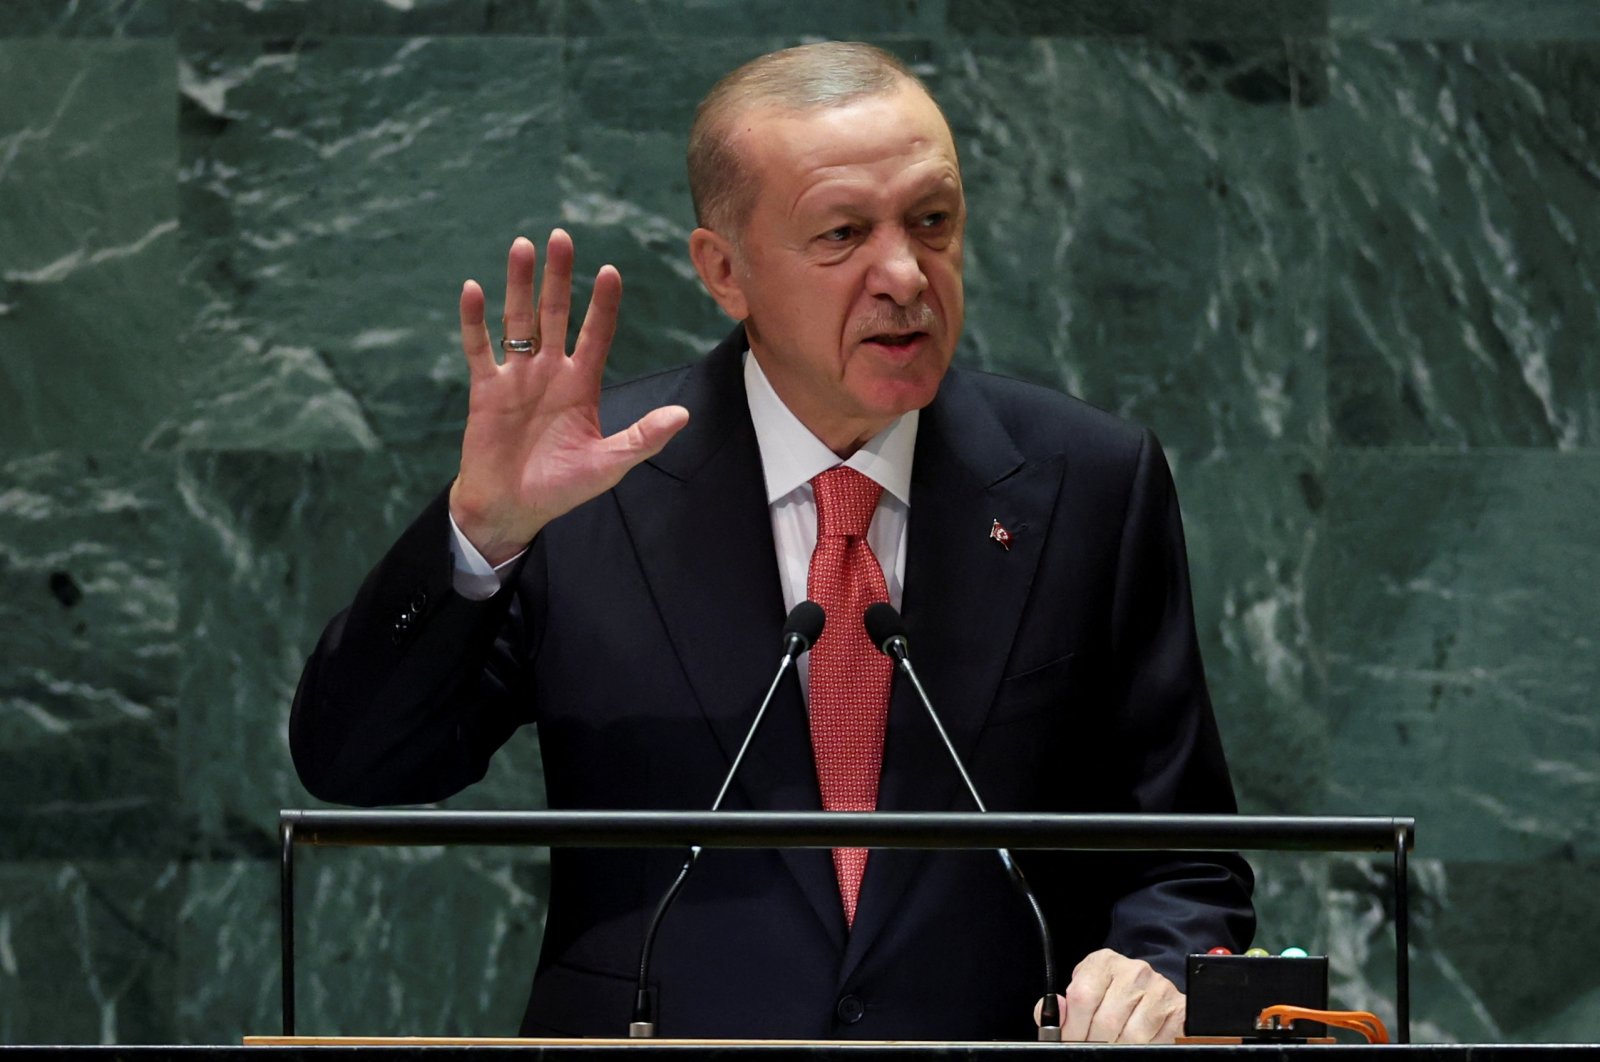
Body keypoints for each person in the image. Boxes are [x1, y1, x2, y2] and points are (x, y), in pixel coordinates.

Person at [291, 41, 1254, 1043]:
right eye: (841, 234)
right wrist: (482, 531)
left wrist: (1151, 967)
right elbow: (356, 769)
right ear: (725, 270)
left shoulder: (1087, 482)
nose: (904, 275)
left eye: (931, 222)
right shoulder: (590, 487)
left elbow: (1183, 856)